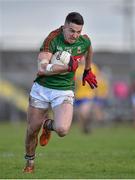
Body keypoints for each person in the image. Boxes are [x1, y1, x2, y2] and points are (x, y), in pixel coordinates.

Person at [23, 12, 97, 173]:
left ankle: (47, 125)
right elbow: (42, 69)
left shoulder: (83, 41)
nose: (75, 35)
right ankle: (29, 164)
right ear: (64, 27)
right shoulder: (52, 40)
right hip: (42, 89)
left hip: (64, 90)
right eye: (71, 30)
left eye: (78, 31)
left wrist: (88, 69)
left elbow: (89, 47)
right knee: (32, 130)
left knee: (62, 129)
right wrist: (67, 67)